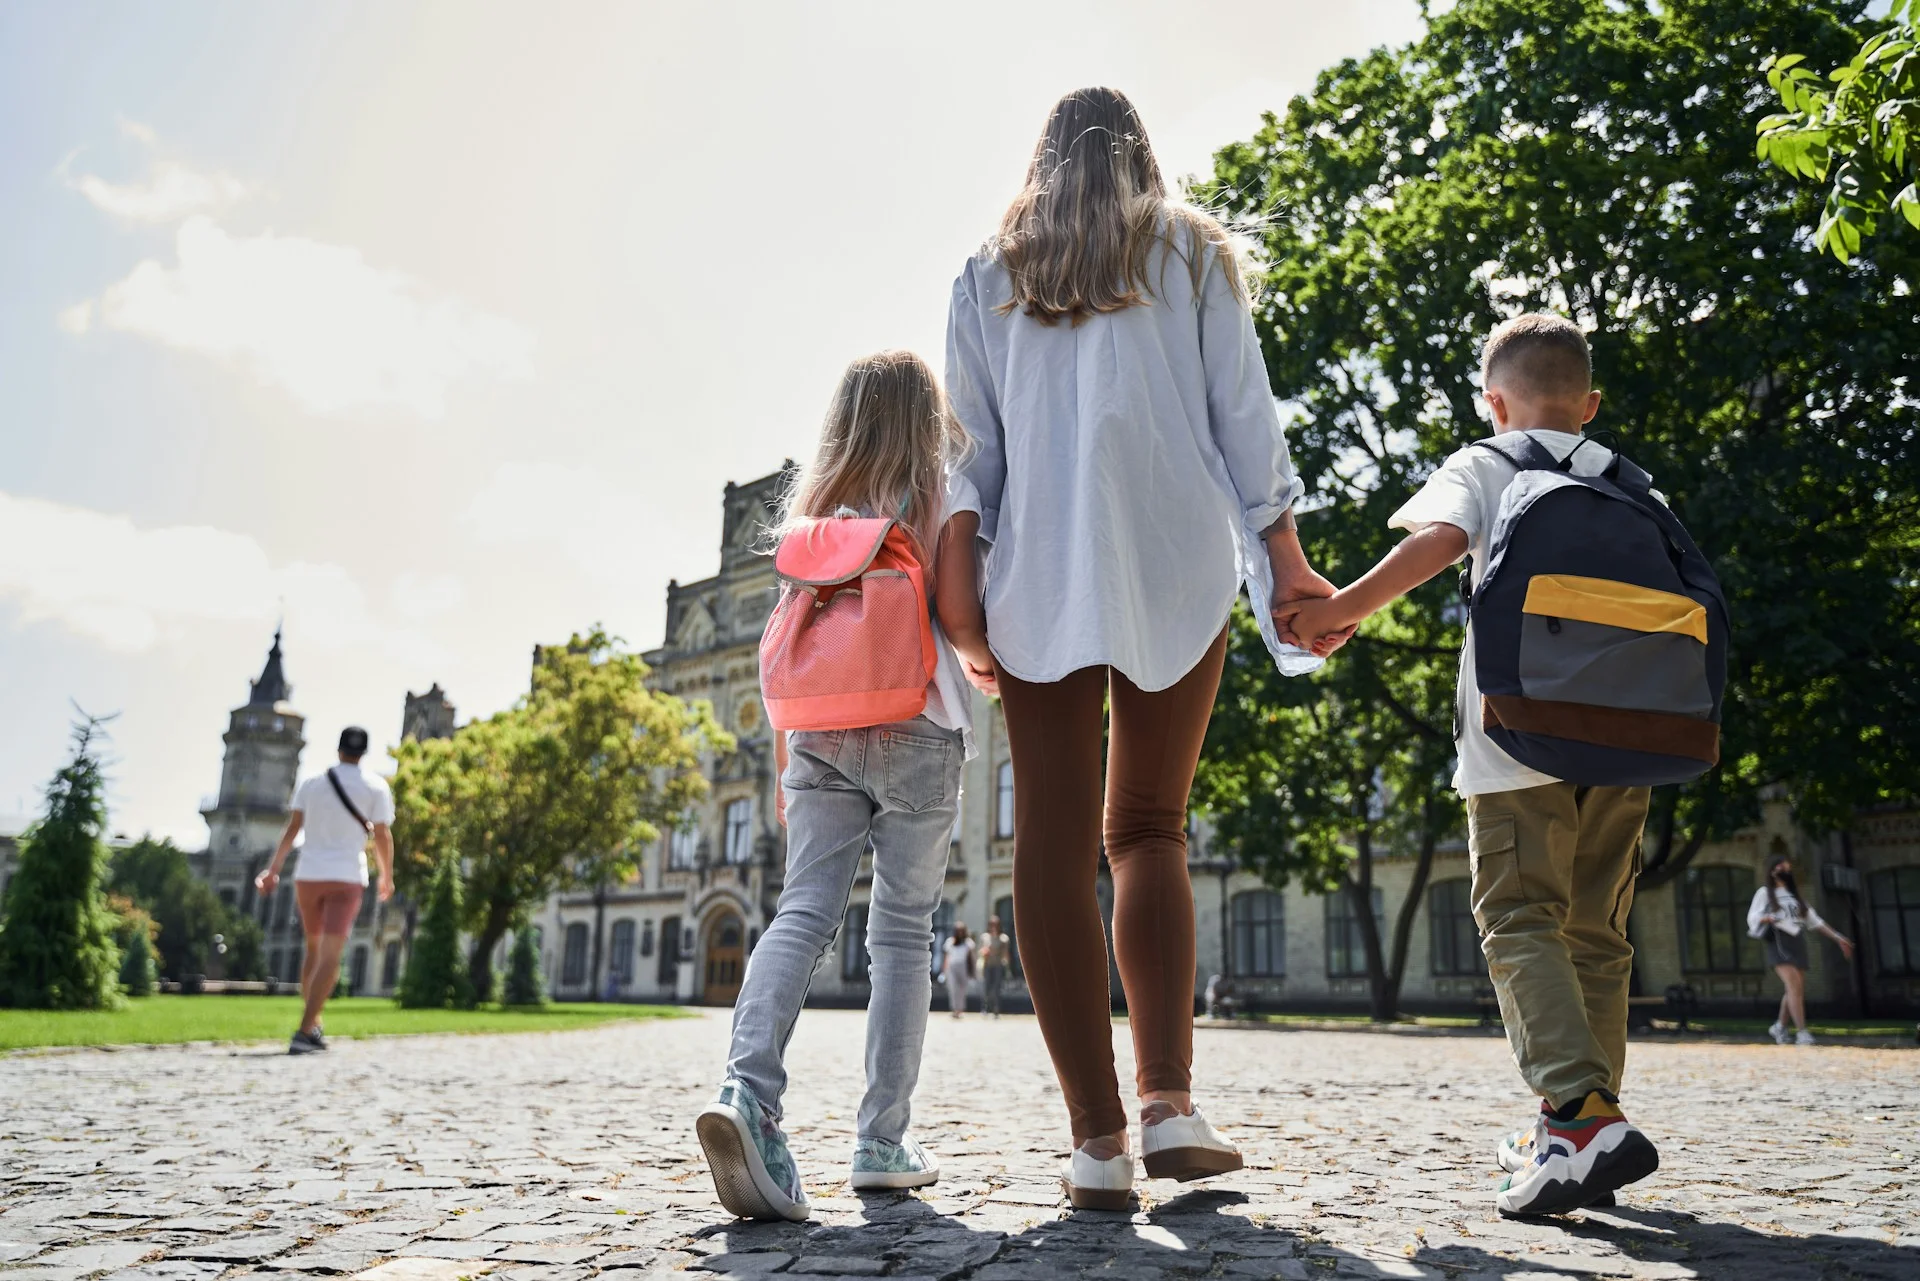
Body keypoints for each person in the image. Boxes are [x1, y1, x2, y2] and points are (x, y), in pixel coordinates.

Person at [946, 86, 1343, 1211]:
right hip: (1175, 559)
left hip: (1041, 568)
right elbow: (1244, 418)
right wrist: (1287, 558)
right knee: (1150, 830)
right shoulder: (1193, 253)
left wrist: (961, 589)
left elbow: (967, 455)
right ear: (1142, 155)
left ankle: (1097, 1142)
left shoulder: (988, 270)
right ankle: (1169, 1104)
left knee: (1055, 843)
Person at [1284, 314, 1668, 1217]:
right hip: (1629, 741)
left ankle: (1576, 1117)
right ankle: (1590, 1118)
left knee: (1518, 918)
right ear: (1592, 404)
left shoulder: (1489, 463)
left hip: (1516, 735)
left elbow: (1438, 544)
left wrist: (1341, 607)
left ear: (1494, 403)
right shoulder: (1634, 484)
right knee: (1598, 934)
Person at [697, 350, 990, 1221]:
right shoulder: (946, 487)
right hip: (920, 726)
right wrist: (983, 665)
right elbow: (962, 613)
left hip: (818, 731)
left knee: (802, 912)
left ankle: (746, 1092)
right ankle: (881, 1139)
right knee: (901, 935)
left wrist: (789, 771)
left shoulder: (816, 513)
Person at [254, 726, 394, 1056]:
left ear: (339, 749)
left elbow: (292, 830)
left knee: (314, 952)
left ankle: (313, 1022)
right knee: (331, 955)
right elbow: (383, 836)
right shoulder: (375, 786)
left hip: (308, 876)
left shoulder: (312, 784)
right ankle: (305, 1030)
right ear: (364, 752)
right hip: (345, 877)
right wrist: (387, 875)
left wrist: (273, 870)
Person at [1749, 854, 1854, 1046]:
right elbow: (1753, 917)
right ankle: (1802, 1032)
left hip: (1797, 941)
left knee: (1794, 988)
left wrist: (1838, 937)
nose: (1785, 871)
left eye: (1787, 868)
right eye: (1780, 868)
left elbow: (1815, 922)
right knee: (1794, 985)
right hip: (1778, 941)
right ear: (1772, 871)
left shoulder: (1795, 896)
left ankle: (1779, 1026)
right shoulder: (1765, 893)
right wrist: (1767, 918)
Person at [978, 913, 1011, 1018]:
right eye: (992, 924)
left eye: (995, 924)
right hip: (987, 965)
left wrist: (1007, 966)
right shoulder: (985, 937)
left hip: (998, 965)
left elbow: (1006, 954)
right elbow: (981, 950)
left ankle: (996, 1009)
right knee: (986, 987)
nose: (993, 926)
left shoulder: (1003, 938)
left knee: (996, 988)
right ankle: (985, 1008)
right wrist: (983, 952)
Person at [941, 922, 975, 1018]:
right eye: (958, 931)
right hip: (952, 967)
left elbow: (971, 958)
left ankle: (960, 1009)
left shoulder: (968, 943)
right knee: (953, 988)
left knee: (962, 989)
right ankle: (955, 1009)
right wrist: (944, 970)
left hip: (963, 966)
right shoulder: (950, 941)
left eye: (961, 931)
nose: (960, 933)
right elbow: (947, 957)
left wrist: (972, 971)